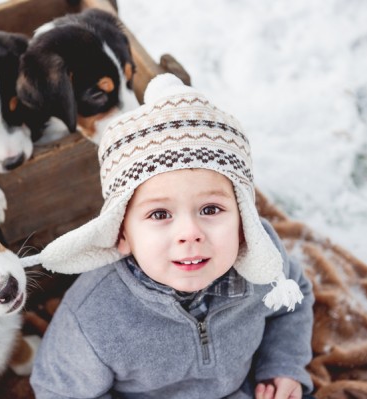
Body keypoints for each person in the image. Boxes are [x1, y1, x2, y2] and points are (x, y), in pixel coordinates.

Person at [23, 73, 315, 399]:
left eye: (210, 209)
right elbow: (58, 391)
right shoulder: (95, 316)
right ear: (122, 232)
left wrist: (283, 366)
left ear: (243, 216)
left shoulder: (262, 263)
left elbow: (294, 300)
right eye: (160, 214)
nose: (190, 233)